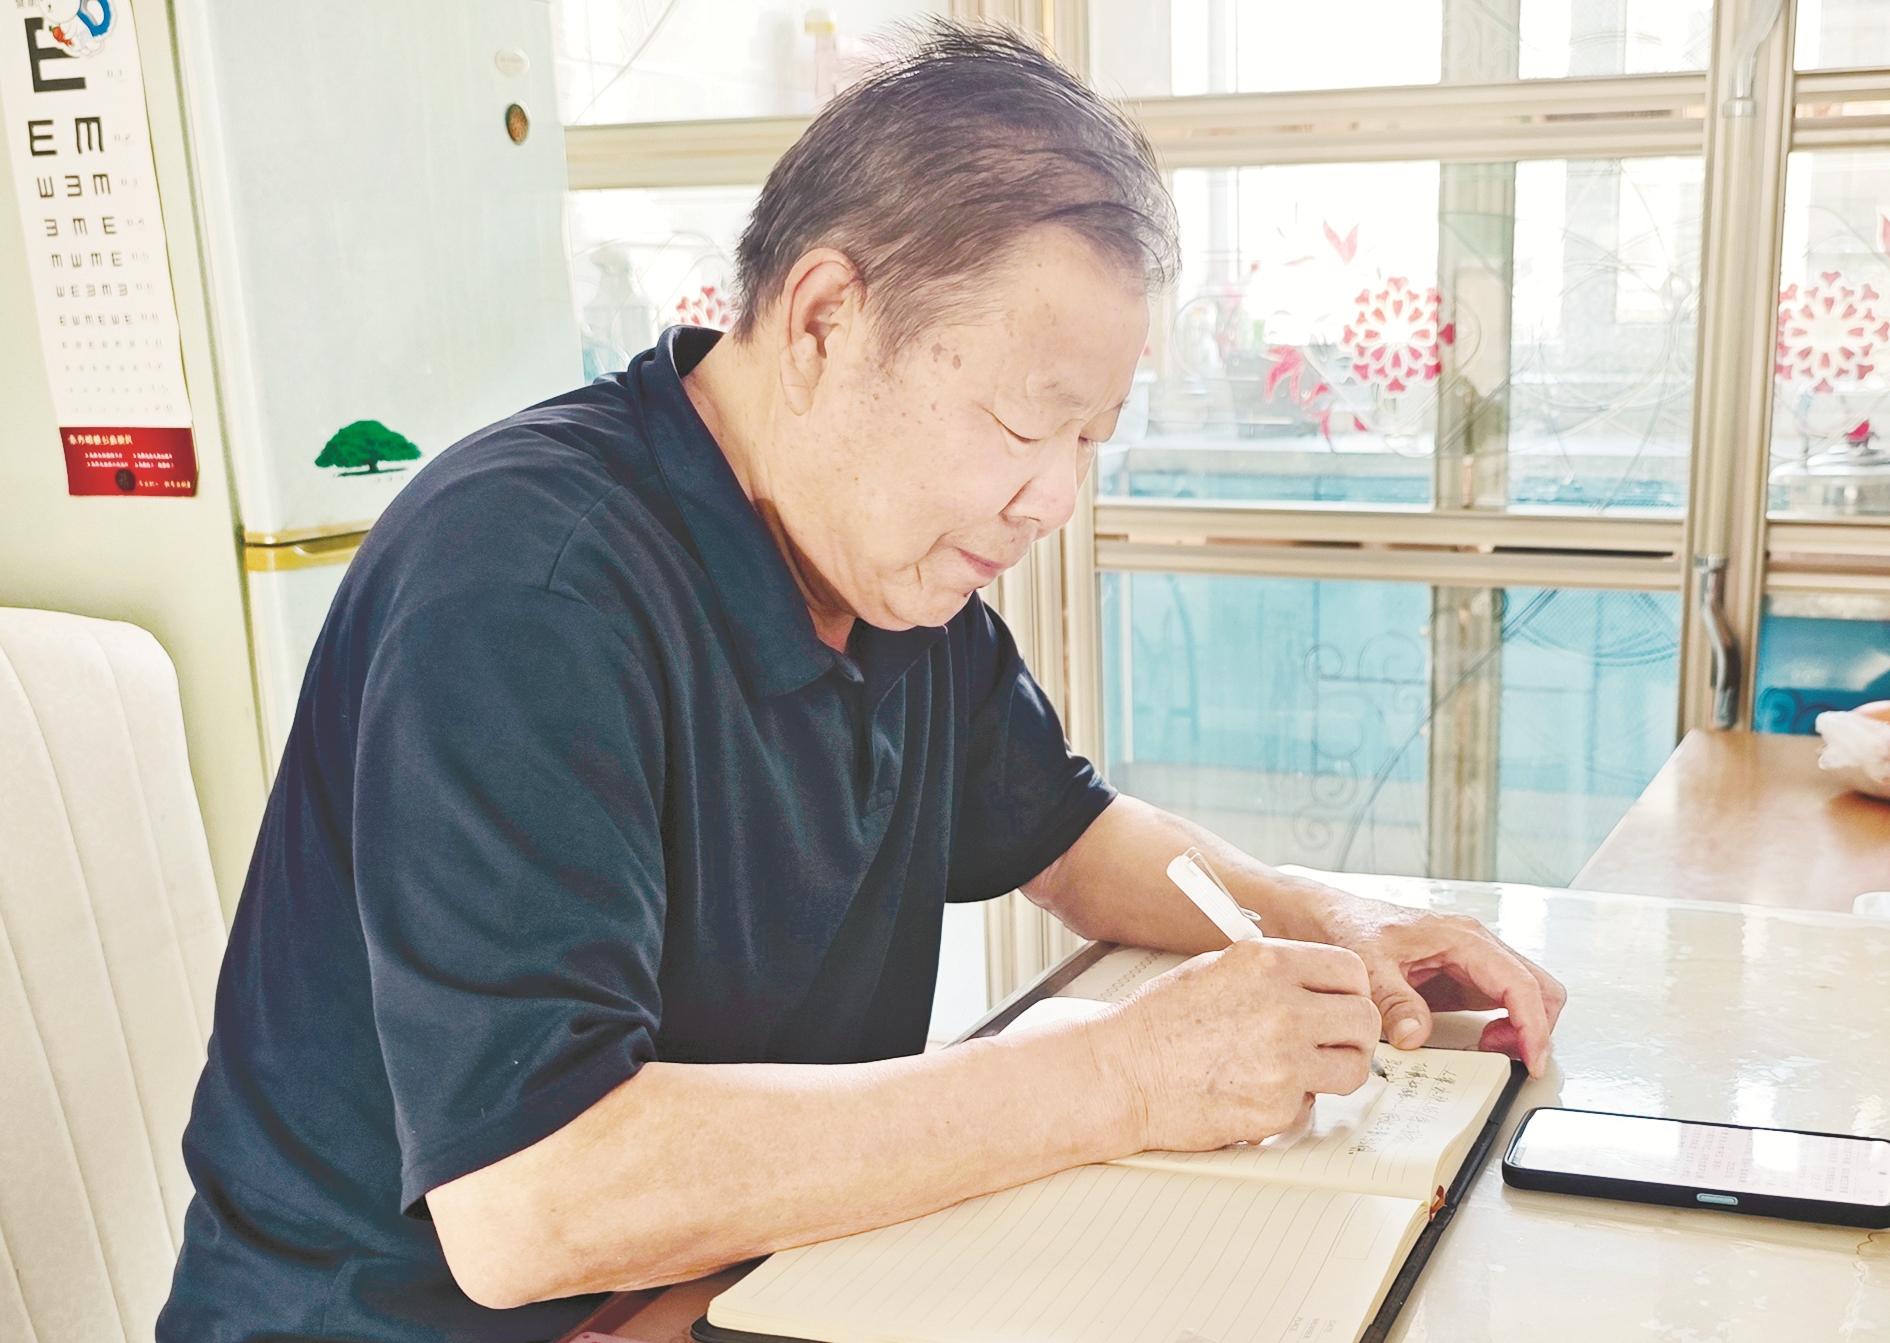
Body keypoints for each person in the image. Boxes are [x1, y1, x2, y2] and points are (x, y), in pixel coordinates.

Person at [158, 22, 1564, 1342]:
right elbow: (531, 1202)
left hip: (726, 1286)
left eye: (1090, 441)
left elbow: (1070, 837)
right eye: (1024, 421)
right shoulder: (528, 585)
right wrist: (1121, 1075)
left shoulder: (887, 568)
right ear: (826, 319)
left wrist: (1334, 918)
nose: (1051, 499)